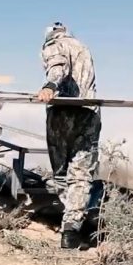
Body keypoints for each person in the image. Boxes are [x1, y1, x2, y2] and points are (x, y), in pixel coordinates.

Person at [36, 22, 101, 249]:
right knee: (82, 174)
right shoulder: (83, 47)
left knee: (62, 172)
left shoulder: (54, 45)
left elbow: (58, 66)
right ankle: (72, 229)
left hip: (62, 113)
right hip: (88, 112)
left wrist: (50, 85)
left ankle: (70, 223)